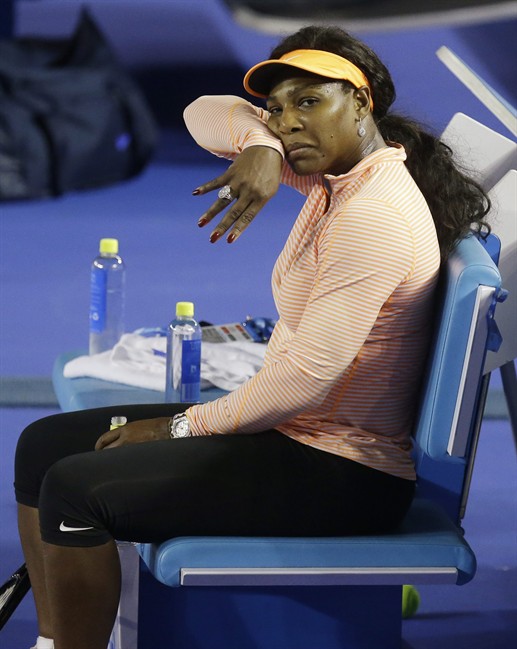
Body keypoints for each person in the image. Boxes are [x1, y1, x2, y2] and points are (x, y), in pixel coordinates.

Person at [14, 25, 490, 649]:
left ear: (362, 103)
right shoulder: (338, 179)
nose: (290, 121)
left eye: (310, 102)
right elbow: (201, 115)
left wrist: (184, 426)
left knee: (76, 490)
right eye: (277, 108)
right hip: (295, 435)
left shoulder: (373, 216)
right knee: (43, 443)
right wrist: (262, 145)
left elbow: (305, 379)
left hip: (341, 475)